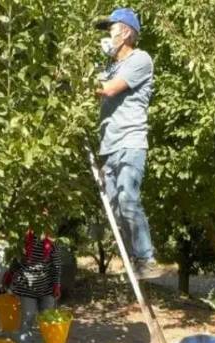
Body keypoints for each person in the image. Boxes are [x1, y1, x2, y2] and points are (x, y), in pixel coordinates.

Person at [95, 8, 161, 279]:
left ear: (126, 32)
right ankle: (135, 258)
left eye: (111, 29)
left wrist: (80, 78)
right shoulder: (110, 67)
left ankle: (147, 259)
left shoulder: (140, 59)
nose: (108, 36)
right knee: (114, 206)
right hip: (109, 145)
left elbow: (109, 89)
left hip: (130, 143)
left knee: (127, 198)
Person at [3, 226, 63, 343]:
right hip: (26, 289)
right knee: (27, 318)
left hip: (47, 289)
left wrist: (57, 285)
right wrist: (9, 277)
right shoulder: (25, 241)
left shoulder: (53, 243)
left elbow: (57, 266)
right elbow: (16, 261)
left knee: (47, 320)